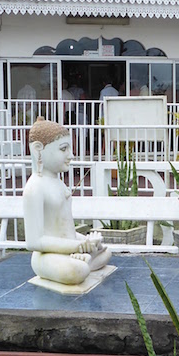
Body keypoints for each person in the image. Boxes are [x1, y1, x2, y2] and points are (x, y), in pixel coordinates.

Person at [23, 118, 111, 286]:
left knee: (106, 252)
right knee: (77, 271)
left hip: (68, 248)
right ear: (38, 150)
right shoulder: (35, 189)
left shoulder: (57, 182)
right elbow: (33, 242)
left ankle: (82, 259)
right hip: (46, 255)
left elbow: (65, 230)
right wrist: (77, 247)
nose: (71, 155)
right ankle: (81, 261)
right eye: (63, 149)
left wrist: (87, 242)